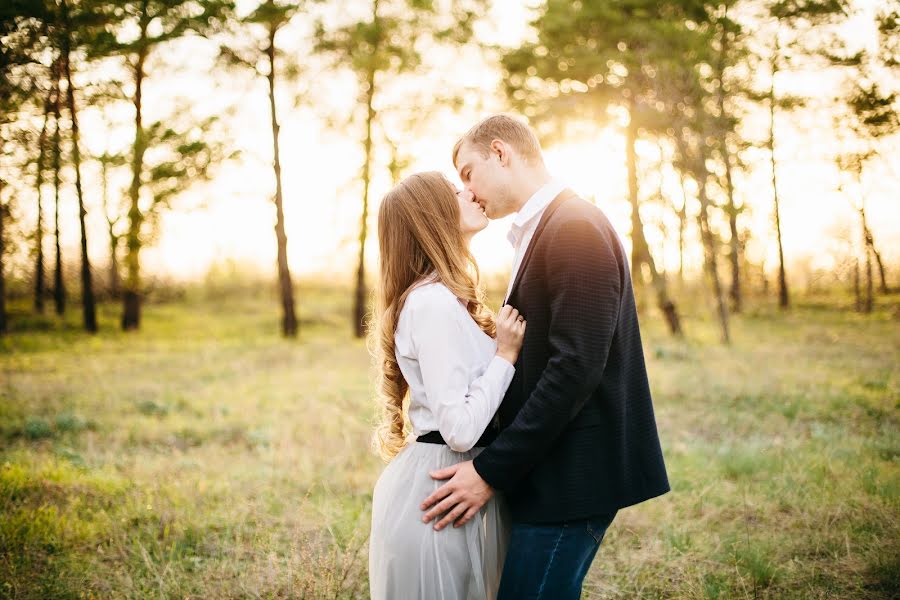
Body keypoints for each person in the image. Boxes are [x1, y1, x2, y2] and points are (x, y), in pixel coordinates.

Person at [420, 114, 671, 599]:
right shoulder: (543, 229)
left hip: (573, 476)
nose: (468, 191)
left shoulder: (574, 226)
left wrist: (491, 470)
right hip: (548, 471)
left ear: (500, 152)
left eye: (469, 172)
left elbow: (573, 368)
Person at [368, 171, 526, 600]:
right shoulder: (431, 303)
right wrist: (505, 356)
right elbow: (458, 427)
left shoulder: (447, 297)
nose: (469, 191)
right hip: (441, 488)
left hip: (457, 480)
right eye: (455, 191)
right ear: (432, 217)